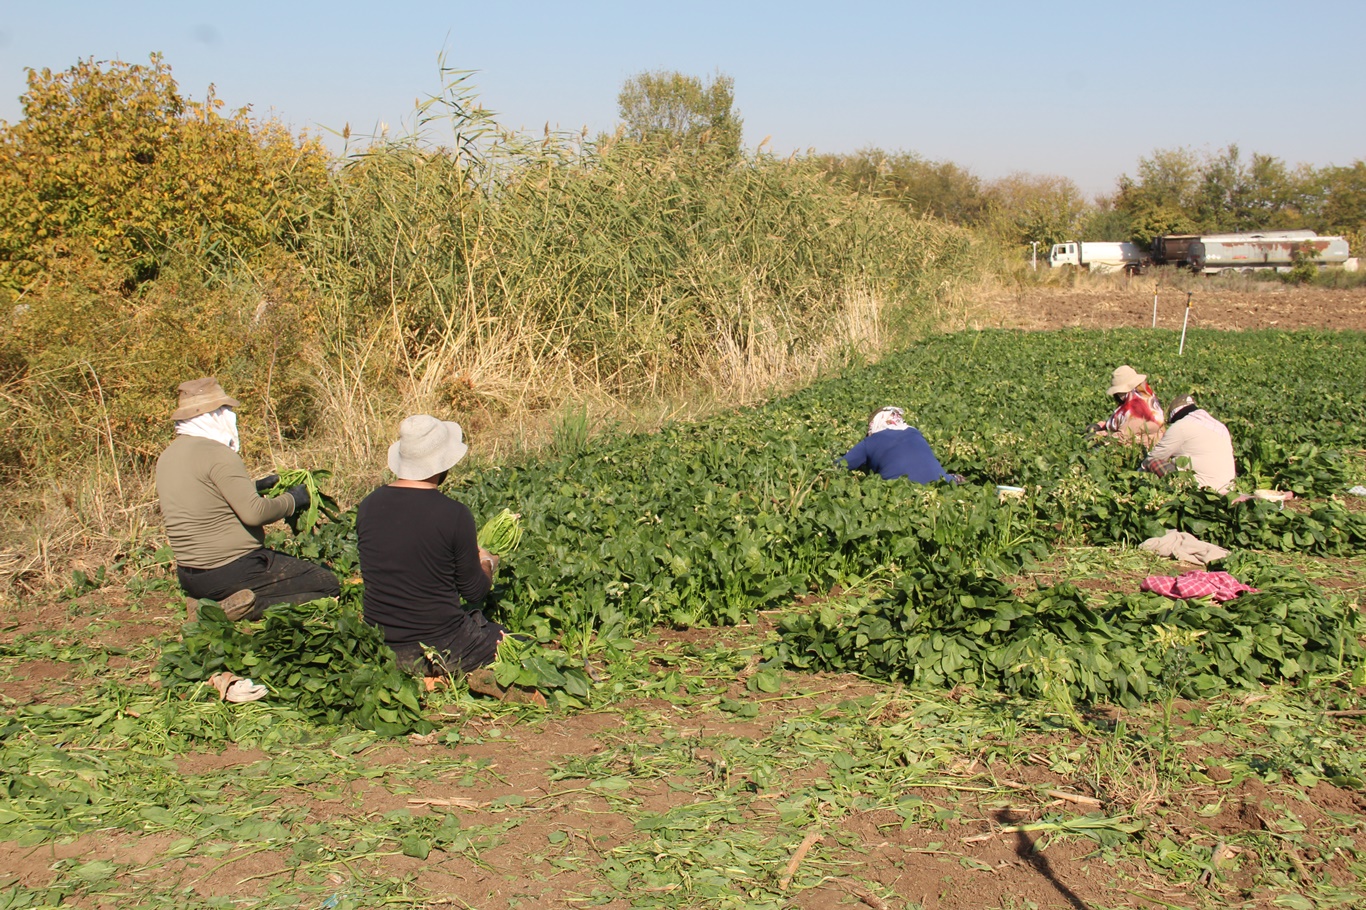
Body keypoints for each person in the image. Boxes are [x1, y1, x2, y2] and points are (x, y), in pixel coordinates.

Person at [156, 377, 341, 620]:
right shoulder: (217, 454)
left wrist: (255, 487)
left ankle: (207, 602)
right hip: (233, 570)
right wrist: (293, 500)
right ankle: (241, 608)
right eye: (227, 410)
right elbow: (254, 514)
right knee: (326, 584)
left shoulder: (168, 457)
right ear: (215, 415)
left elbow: (207, 495)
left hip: (191, 577)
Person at [355, 414, 506, 679]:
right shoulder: (454, 514)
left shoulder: (368, 505)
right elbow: (474, 591)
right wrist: (487, 562)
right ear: (443, 464)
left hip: (381, 644)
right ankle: (439, 675)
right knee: (511, 640)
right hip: (437, 645)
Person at [1142, 393, 1237, 494]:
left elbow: (1156, 456)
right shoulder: (1220, 426)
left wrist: (1138, 473)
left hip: (1201, 487)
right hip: (1229, 488)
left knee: (1152, 462)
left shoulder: (1181, 426)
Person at [841, 406, 960, 484]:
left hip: (902, 489)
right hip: (941, 483)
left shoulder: (870, 442)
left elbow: (840, 466)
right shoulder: (915, 432)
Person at [1087, 365, 1165, 446]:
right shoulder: (1145, 398)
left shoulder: (1137, 411)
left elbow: (1121, 437)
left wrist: (1098, 435)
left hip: (1144, 449)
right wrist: (1101, 425)